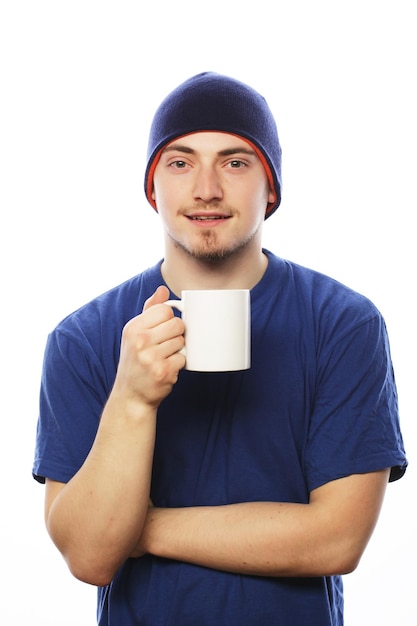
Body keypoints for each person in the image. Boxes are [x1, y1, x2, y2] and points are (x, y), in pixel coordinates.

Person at [33, 72, 407, 625]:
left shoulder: (344, 324)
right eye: (180, 163)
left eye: (235, 162)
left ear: (271, 188)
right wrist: (132, 400)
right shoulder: (83, 339)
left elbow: (337, 541)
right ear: (151, 188)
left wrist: (141, 529)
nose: (206, 188)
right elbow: (90, 556)